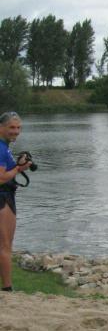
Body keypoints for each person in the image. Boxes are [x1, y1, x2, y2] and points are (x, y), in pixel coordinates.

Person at [0, 112, 32, 292]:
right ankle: (7, 288)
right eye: (11, 127)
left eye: (18, 128)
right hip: (2, 197)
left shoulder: (4, 146)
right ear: (1, 127)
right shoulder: (0, 147)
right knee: (5, 245)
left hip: (7, 195)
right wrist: (19, 168)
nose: (16, 131)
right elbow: (0, 178)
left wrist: (17, 165)